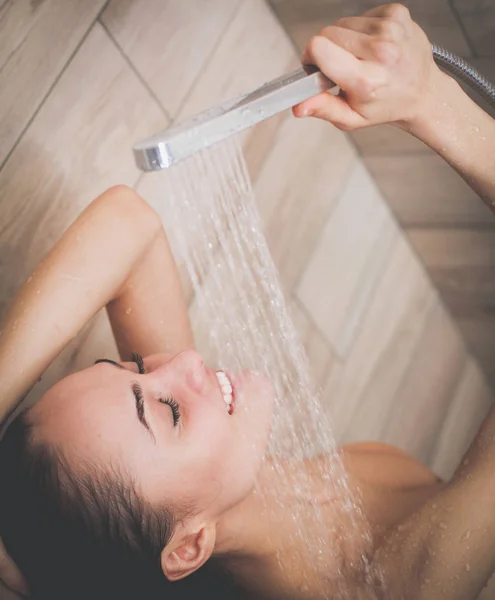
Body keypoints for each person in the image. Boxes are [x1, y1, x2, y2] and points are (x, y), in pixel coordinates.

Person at [1, 3, 495, 599]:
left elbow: (127, 222)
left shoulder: (204, 492)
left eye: (132, 367)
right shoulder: (396, 584)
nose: (181, 363)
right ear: (188, 546)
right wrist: (431, 102)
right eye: (170, 412)